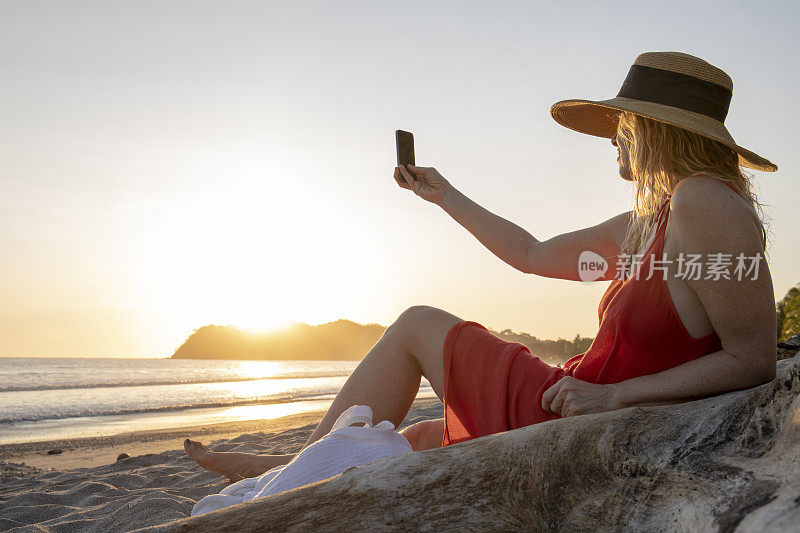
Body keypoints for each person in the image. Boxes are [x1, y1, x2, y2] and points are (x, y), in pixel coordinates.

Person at [185, 51, 778, 481]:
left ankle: (284, 479)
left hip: (581, 415)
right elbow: (531, 255)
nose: (614, 141)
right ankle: (286, 470)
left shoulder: (705, 204)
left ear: (655, 131)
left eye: (622, 127)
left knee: (418, 324)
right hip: (572, 398)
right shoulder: (651, 222)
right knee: (417, 436)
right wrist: (444, 194)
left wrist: (616, 399)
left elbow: (753, 359)